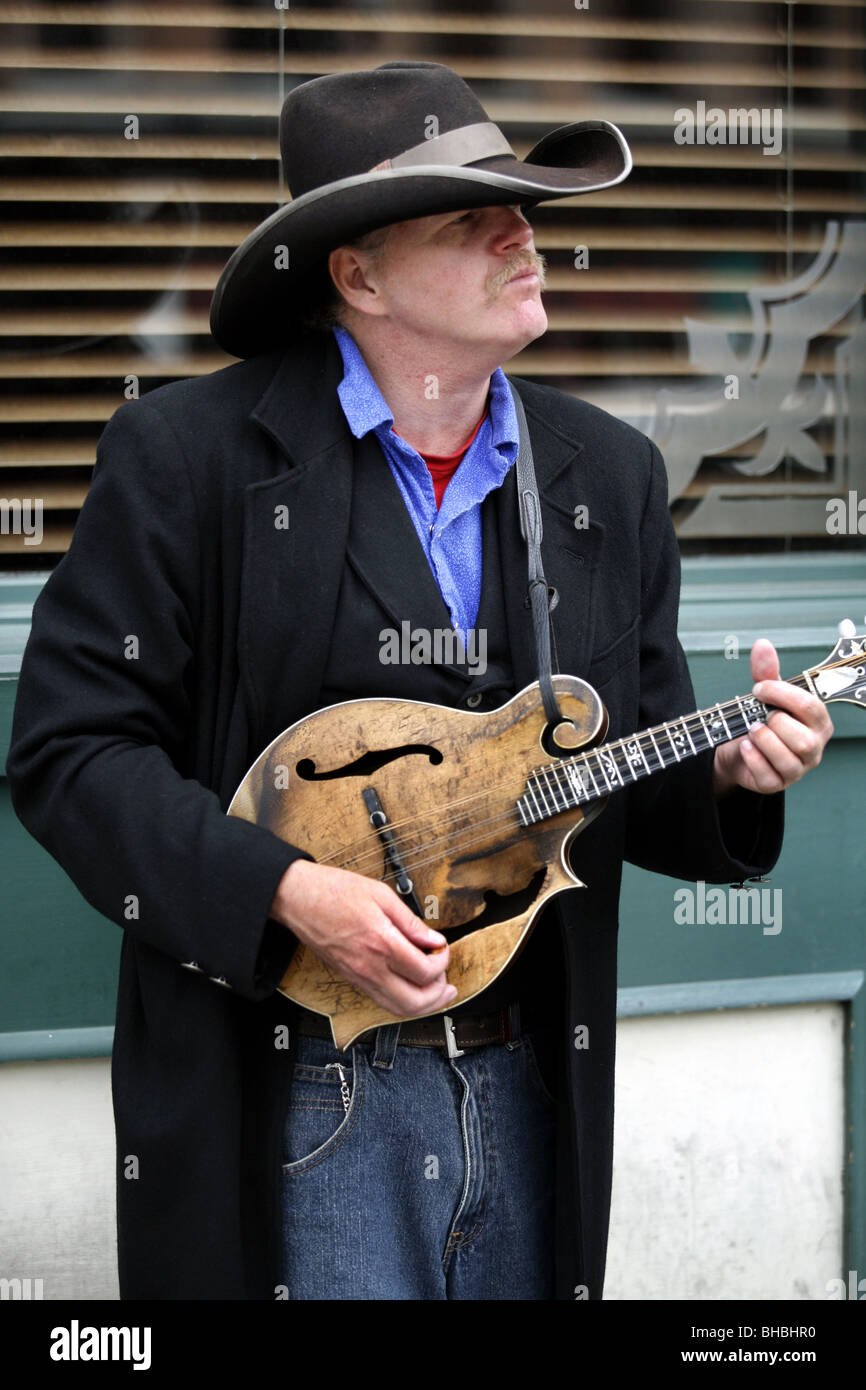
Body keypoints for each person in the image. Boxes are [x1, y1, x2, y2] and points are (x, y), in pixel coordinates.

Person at [5, 61, 833, 1301]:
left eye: (523, 209)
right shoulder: (187, 461)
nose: (522, 236)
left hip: (528, 1082)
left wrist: (729, 771)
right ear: (358, 273)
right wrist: (286, 890)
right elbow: (71, 754)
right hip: (294, 1094)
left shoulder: (602, 475)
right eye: (469, 218)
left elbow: (625, 770)